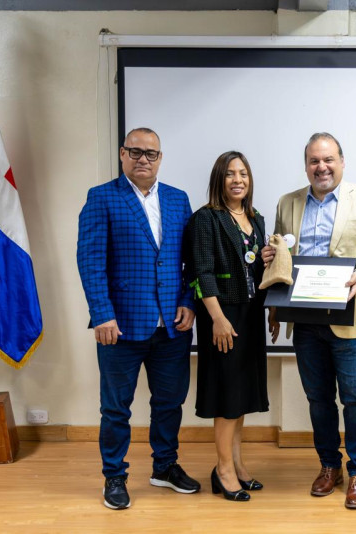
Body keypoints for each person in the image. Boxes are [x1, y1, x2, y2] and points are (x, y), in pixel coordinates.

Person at [262, 132, 356, 510]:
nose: (322, 167)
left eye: (328, 160)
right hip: (305, 322)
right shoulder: (288, 203)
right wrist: (272, 258)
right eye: (314, 161)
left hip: (351, 321)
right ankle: (328, 466)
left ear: (342, 161)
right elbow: (280, 261)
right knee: (318, 399)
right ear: (306, 165)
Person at [77, 127, 200, 510]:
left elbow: (190, 261)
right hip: (121, 326)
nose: (143, 158)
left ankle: (164, 467)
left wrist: (188, 302)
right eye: (136, 152)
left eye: (151, 153)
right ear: (122, 154)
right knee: (116, 408)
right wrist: (102, 315)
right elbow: (90, 262)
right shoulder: (101, 198)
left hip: (172, 326)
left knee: (169, 403)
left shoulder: (179, 200)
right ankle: (114, 476)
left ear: (160, 158)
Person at [186, 151, 276, 502]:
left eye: (243, 173)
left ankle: (236, 463)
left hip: (251, 314)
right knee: (226, 396)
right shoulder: (206, 219)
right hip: (223, 318)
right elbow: (201, 272)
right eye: (230, 174)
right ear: (219, 180)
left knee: (240, 396)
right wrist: (218, 318)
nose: (238, 179)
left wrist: (270, 303)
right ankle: (222, 469)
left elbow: (256, 271)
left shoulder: (257, 218)